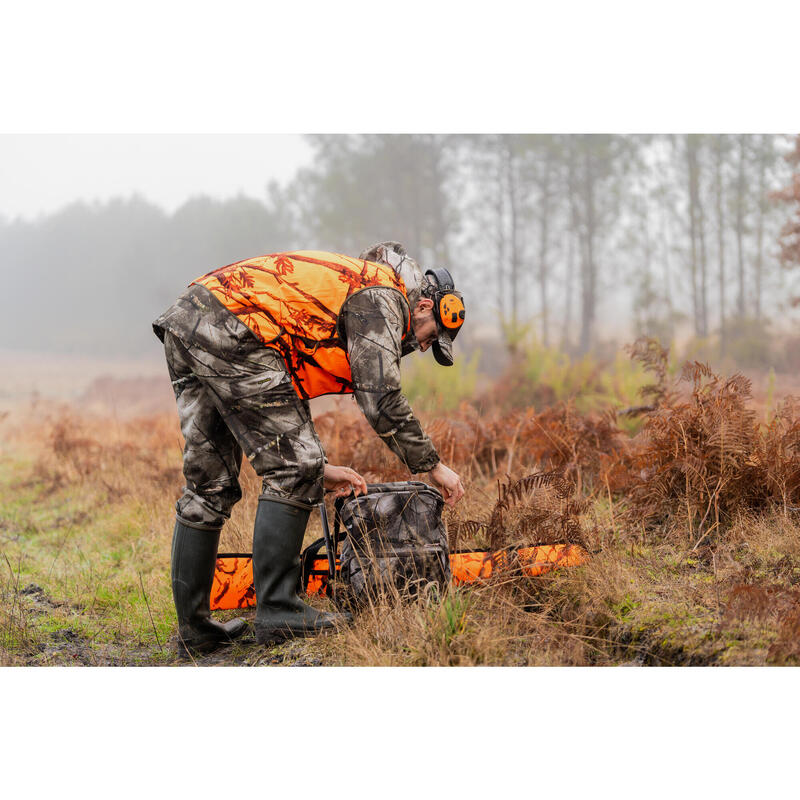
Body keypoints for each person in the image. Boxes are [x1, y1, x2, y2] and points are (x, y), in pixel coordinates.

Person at [152, 241, 466, 656]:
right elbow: (382, 398)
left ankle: (195, 629)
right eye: (432, 337)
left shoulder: (359, 290)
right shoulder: (384, 298)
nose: (424, 347)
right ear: (425, 305)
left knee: (209, 484)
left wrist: (318, 466)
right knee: (293, 467)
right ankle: (279, 609)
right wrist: (432, 465)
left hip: (193, 320)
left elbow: (282, 391)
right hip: (231, 327)